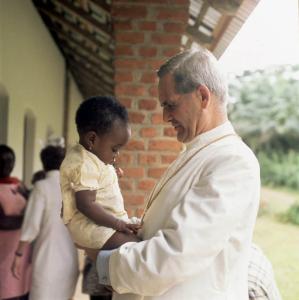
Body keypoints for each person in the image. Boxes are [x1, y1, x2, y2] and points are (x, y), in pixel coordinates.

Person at [92, 48, 261, 300]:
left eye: (170, 105)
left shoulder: (233, 162)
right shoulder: (198, 152)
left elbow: (177, 253)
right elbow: (174, 225)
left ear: (203, 96)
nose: (164, 117)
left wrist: (103, 263)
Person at [60, 96, 140, 251]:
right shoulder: (84, 163)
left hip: (100, 223)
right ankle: (103, 273)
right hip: (90, 226)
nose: (117, 155)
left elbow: (94, 183)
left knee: (141, 234)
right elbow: (86, 204)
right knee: (135, 245)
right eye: (114, 149)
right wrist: (118, 224)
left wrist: (111, 177)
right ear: (92, 139)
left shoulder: (91, 156)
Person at [11, 145, 79, 300]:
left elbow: (31, 226)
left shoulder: (41, 187)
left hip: (47, 260)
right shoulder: (72, 189)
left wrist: (18, 254)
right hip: (70, 260)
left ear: (43, 163)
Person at [0, 144, 31, 300]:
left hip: (19, 257)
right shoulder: (20, 188)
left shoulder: (20, 187)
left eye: (10, 160)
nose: (7, 164)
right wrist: (27, 219)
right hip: (10, 256)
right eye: (4, 161)